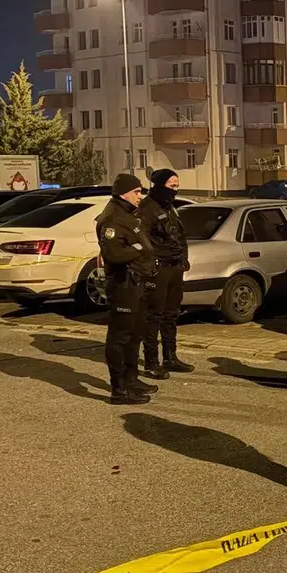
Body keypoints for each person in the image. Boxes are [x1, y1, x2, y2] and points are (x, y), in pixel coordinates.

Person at [96, 173, 159, 405]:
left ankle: (131, 380)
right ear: (123, 193)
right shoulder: (112, 218)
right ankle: (119, 390)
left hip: (137, 282)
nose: (140, 196)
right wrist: (138, 249)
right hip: (123, 284)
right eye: (136, 192)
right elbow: (113, 253)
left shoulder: (129, 214)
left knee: (135, 334)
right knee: (119, 337)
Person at [138, 168, 193, 379]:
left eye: (177, 186)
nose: (175, 190)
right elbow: (142, 239)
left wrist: (183, 258)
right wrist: (150, 264)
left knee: (171, 314)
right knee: (154, 315)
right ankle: (151, 362)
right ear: (160, 185)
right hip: (158, 267)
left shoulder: (170, 207)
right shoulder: (147, 208)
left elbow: (178, 235)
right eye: (172, 186)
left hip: (174, 266)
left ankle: (170, 357)